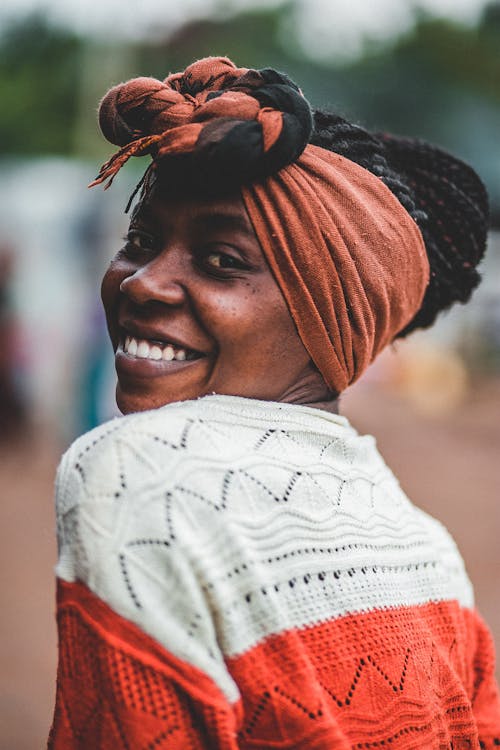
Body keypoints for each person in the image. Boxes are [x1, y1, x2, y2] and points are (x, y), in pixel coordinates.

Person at [48, 57, 500, 748]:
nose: (143, 282)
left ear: (330, 312)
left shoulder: (141, 472)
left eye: (221, 261)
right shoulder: (429, 551)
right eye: (141, 241)